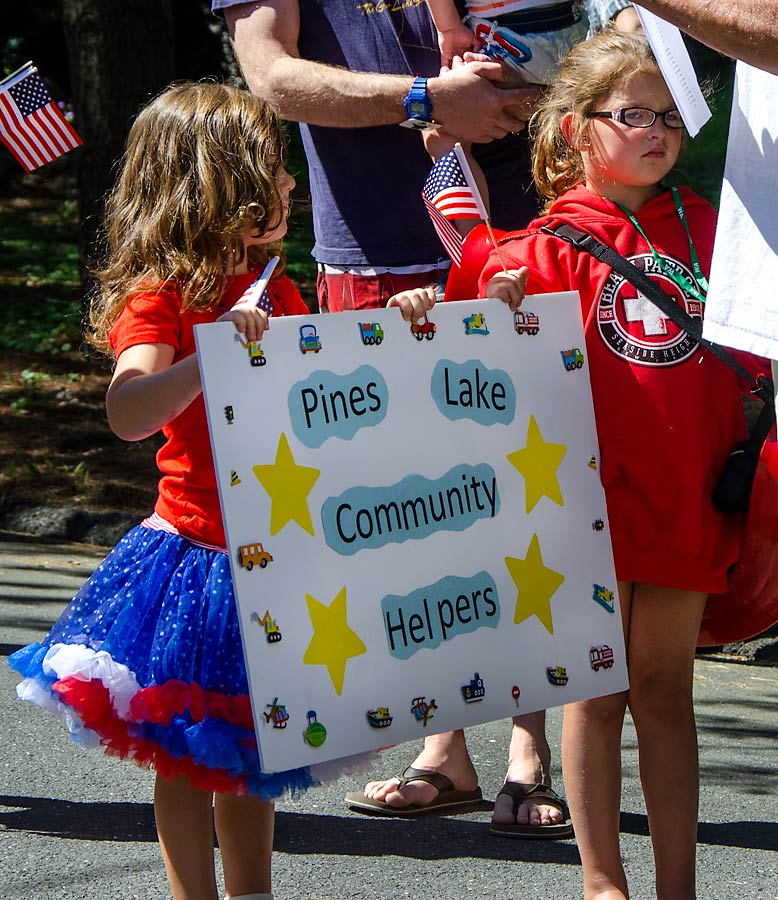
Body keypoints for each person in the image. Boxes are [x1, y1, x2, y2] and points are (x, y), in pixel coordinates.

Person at [7, 81, 435, 900]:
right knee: (188, 755)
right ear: (215, 183)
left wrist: (408, 329)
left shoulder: (275, 287)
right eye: (272, 168)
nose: (289, 184)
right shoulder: (161, 296)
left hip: (279, 554)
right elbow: (129, 410)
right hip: (198, 563)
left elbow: (331, 397)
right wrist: (207, 360)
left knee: (258, 752)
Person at [217, 0, 578, 837]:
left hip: (528, 239)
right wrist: (425, 100)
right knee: (415, 513)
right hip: (374, 256)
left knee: (521, 495)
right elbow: (272, 78)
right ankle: (443, 748)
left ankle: (529, 754)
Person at [476, 28, 760, 898]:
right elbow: (477, 348)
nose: (658, 132)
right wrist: (496, 299)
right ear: (574, 131)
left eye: (672, 117)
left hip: (688, 498)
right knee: (594, 695)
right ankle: (605, 886)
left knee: (667, 690)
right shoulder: (537, 248)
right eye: (634, 114)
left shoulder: (720, 233)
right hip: (582, 508)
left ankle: (678, 887)